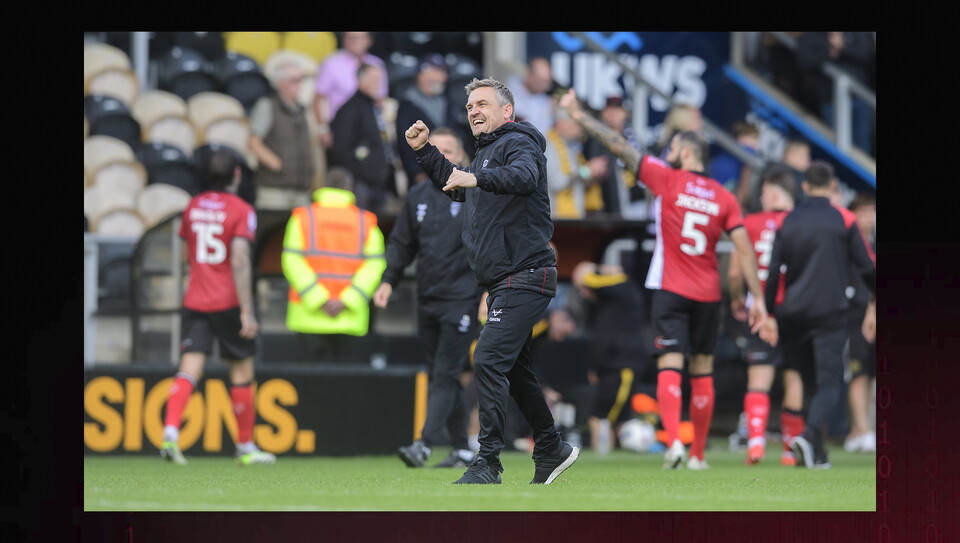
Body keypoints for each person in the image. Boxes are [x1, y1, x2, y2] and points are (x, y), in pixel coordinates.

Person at [558, 89, 767, 471]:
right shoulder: (724, 197)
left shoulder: (667, 179)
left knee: (670, 364)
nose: (667, 152)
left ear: (687, 152)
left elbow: (618, 145)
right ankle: (699, 455)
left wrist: (581, 115)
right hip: (708, 292)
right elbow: (744, 250)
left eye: (672, 147)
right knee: (702, 370)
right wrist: (761, 303)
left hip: (671, 288)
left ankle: (674, 444)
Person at [403, 77, 579, 485]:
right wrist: (425, 152)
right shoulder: (486, 155)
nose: (474, 111)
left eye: (482, 103)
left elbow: (522, 177)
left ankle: (488, 462)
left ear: (507, 111)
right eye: (469, 107)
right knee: (514, 371)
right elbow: (458, 184)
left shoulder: (521, 142)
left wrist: (475, 178)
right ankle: (551, 448)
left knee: (486, 360)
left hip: (527, 274)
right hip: (506, 280)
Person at [376, 128, 485, 469]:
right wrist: (389, 280)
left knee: (446, 371)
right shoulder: (418, 195)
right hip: (427, 297)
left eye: (448, 150)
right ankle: (462, 448)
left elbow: (489, 248)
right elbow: (402, 243)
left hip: (462, 297)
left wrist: (487, 292)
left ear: (461, 156)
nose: (441, 156)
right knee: (441, 372)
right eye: (435, 150)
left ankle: (423, 443)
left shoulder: (474, 194)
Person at [161, 148, 276, 466]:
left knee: (189, 367)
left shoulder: (193, 206)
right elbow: (239, 260)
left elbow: (187, 252)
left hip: (195, 299)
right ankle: (245, 446)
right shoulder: (241, 209)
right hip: (227, 301)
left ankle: (171, 431)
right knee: (241, 371)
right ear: (236, 175)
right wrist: (246, 310)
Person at [760, 160, 876, 469]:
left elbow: (773, 271)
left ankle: (817, 453)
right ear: (833, 186)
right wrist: (875, 302)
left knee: (810, 383)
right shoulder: (844, 219)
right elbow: (867, 267)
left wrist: (769, 311)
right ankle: (809, 436)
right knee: (830, 383)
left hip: (793, 312)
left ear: (805, 186)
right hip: (829, 313)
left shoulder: (788, 220)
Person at [726, 166, 802, 466]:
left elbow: (734, 272)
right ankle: (789, 450)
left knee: (759, 377)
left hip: (758, 309)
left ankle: (755, 443)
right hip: (796, 308)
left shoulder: (750, 222)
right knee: (794, 376)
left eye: (762, 192)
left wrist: (736, 299)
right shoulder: (801, 223)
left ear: (772, 191)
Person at [281, 166, 386, 364]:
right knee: (346, 389)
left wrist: (318, 298)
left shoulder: (302, 218)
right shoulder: (366, 222)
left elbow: (292, 261)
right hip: (350, 318)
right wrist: (348, 299)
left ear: (322, 186)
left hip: (308, 316)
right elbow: (375, 266)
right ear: (349, 188)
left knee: (310, 387)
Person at [570, 260, 648, 455]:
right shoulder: (604, 305)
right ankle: (607, 457)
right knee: (609, 417)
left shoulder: (622, 284)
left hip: (622, 364)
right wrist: (595, 367)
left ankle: (604, 457)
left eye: (585, 289)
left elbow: (585, 276)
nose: (584, 292)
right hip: (608, 365)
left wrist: (597, 272)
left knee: (603, 416)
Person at [394, 54, 474, 190]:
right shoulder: (408, 104)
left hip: (451, 172)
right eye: (435, 72)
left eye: (441, 72)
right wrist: (417, 174)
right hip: (424, 175)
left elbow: (457, 133)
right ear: (421, 76)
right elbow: (404, 144)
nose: (440, 78)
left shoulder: (446, 102)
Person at [327, 63, 396, 215]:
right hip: (361, 184)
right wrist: (363, 172)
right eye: (372, 79)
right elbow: (341, 149)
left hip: (379, 181)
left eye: (379, 79)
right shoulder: (349, 109)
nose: (377, 83)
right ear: (360, 80)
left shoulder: (373, 106)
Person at [247, 60, 315, 212]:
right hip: (274, 189)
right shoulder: (267, 105)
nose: (299, 85)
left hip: (301, 188)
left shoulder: (301, 110)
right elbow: (253, 142)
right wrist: (275, 163)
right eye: (294, 81)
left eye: (300, 80)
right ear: (280, 84)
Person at [797, 32, 875, 156]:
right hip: (830, 100)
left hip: (861, 97)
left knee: (862, 146)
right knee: (836, 146)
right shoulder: (812, 35)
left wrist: (843, 47)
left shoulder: (858, 34)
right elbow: (804, 60)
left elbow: (867, 55)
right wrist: (829, 52)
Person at [311, 31, 388, 150]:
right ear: (344, 40)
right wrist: (322, 129)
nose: (356, 41)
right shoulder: (331, 63)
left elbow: (380, 100)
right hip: (341, 126)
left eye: (361, 38)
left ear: (369, 40)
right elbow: (317, 99)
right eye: (351, 38)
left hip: (369, 125)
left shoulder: (376, 64)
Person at [842, 192, 877, 453]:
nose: (867, 218)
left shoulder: (875, 244)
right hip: (853, 315)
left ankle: (861, 431)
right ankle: (861, 431)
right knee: (858, 372)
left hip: (873, 313)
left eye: (871, 212)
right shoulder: (845, 244)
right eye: (862, 211)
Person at [582, 95, 648, 219]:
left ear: (625, 113)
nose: (614, 114)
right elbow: (589, 172)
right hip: (607, 207)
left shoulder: (631, 138)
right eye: (610, 110)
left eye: (618, 110)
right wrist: (586, 172)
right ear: (603, 112)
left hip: (634, 202)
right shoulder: (595, 138)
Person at [544, 108, 607, 219]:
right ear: (560, 124)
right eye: (575, 123)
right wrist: (586, 171)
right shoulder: (547, 147)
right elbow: (557, 183)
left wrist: (592, 176)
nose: (579, 127)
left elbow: (577, 182)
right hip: (556, 219)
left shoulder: (572, 147)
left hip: (573, 217)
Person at [710, 120, 760, 213]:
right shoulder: (748, 153)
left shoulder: (722, 149)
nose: (756, 143)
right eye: (752, 137)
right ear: (740, 137)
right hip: (719, 196)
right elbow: (744, 186)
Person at [507, 57, 556, 137]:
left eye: (547, 82)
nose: (544, 86)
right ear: (528, 74)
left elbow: (543, 132)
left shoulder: (546, 101)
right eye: (540, 81)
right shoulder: (507, 91)